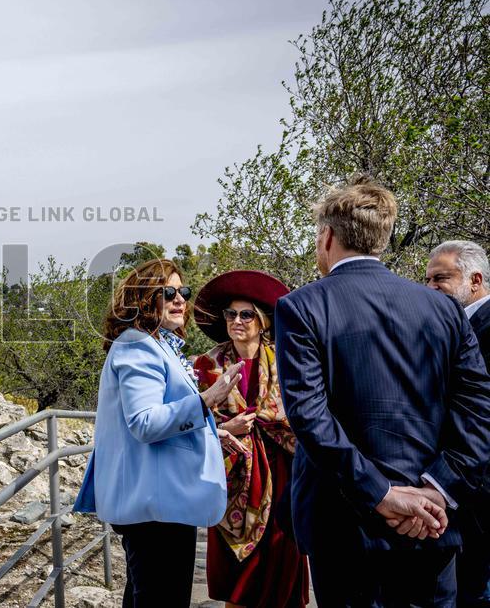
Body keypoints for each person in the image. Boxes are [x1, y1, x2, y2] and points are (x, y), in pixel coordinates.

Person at [274, 175, 490, 606]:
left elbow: (310, 417)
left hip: (345, 526)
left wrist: (383, 494)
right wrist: (437, 490)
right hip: (433, 524)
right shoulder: (444, 309)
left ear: (327, 236)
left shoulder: (302, 307)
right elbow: (479, 410)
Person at [73, 258, 244, 607]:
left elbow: (161, 416)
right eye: (168, 292)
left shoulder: (154, 345)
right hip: (156, 507)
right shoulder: (138, 346)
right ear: (143, 298)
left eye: (184, 292)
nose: (180, 299)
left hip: (157, 503)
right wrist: (207, 400)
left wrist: (214, 431)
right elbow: (145, 422)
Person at [192, 270, 309, 608]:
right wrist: (226, 428)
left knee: (279, 557)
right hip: (231, 474)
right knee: (239, 577)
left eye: (246, 315)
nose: (237, 321)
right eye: (231, 314)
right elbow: (194, 416)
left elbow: (299, 414)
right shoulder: (209, 364)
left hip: (281, 470)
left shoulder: (285, 361)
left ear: (262, 322)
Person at [426, 240, 490, 607]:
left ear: (475, 280)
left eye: (440, 278)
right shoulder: (452, 328)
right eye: (427, 279)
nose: (431, 287)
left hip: (478, 497)